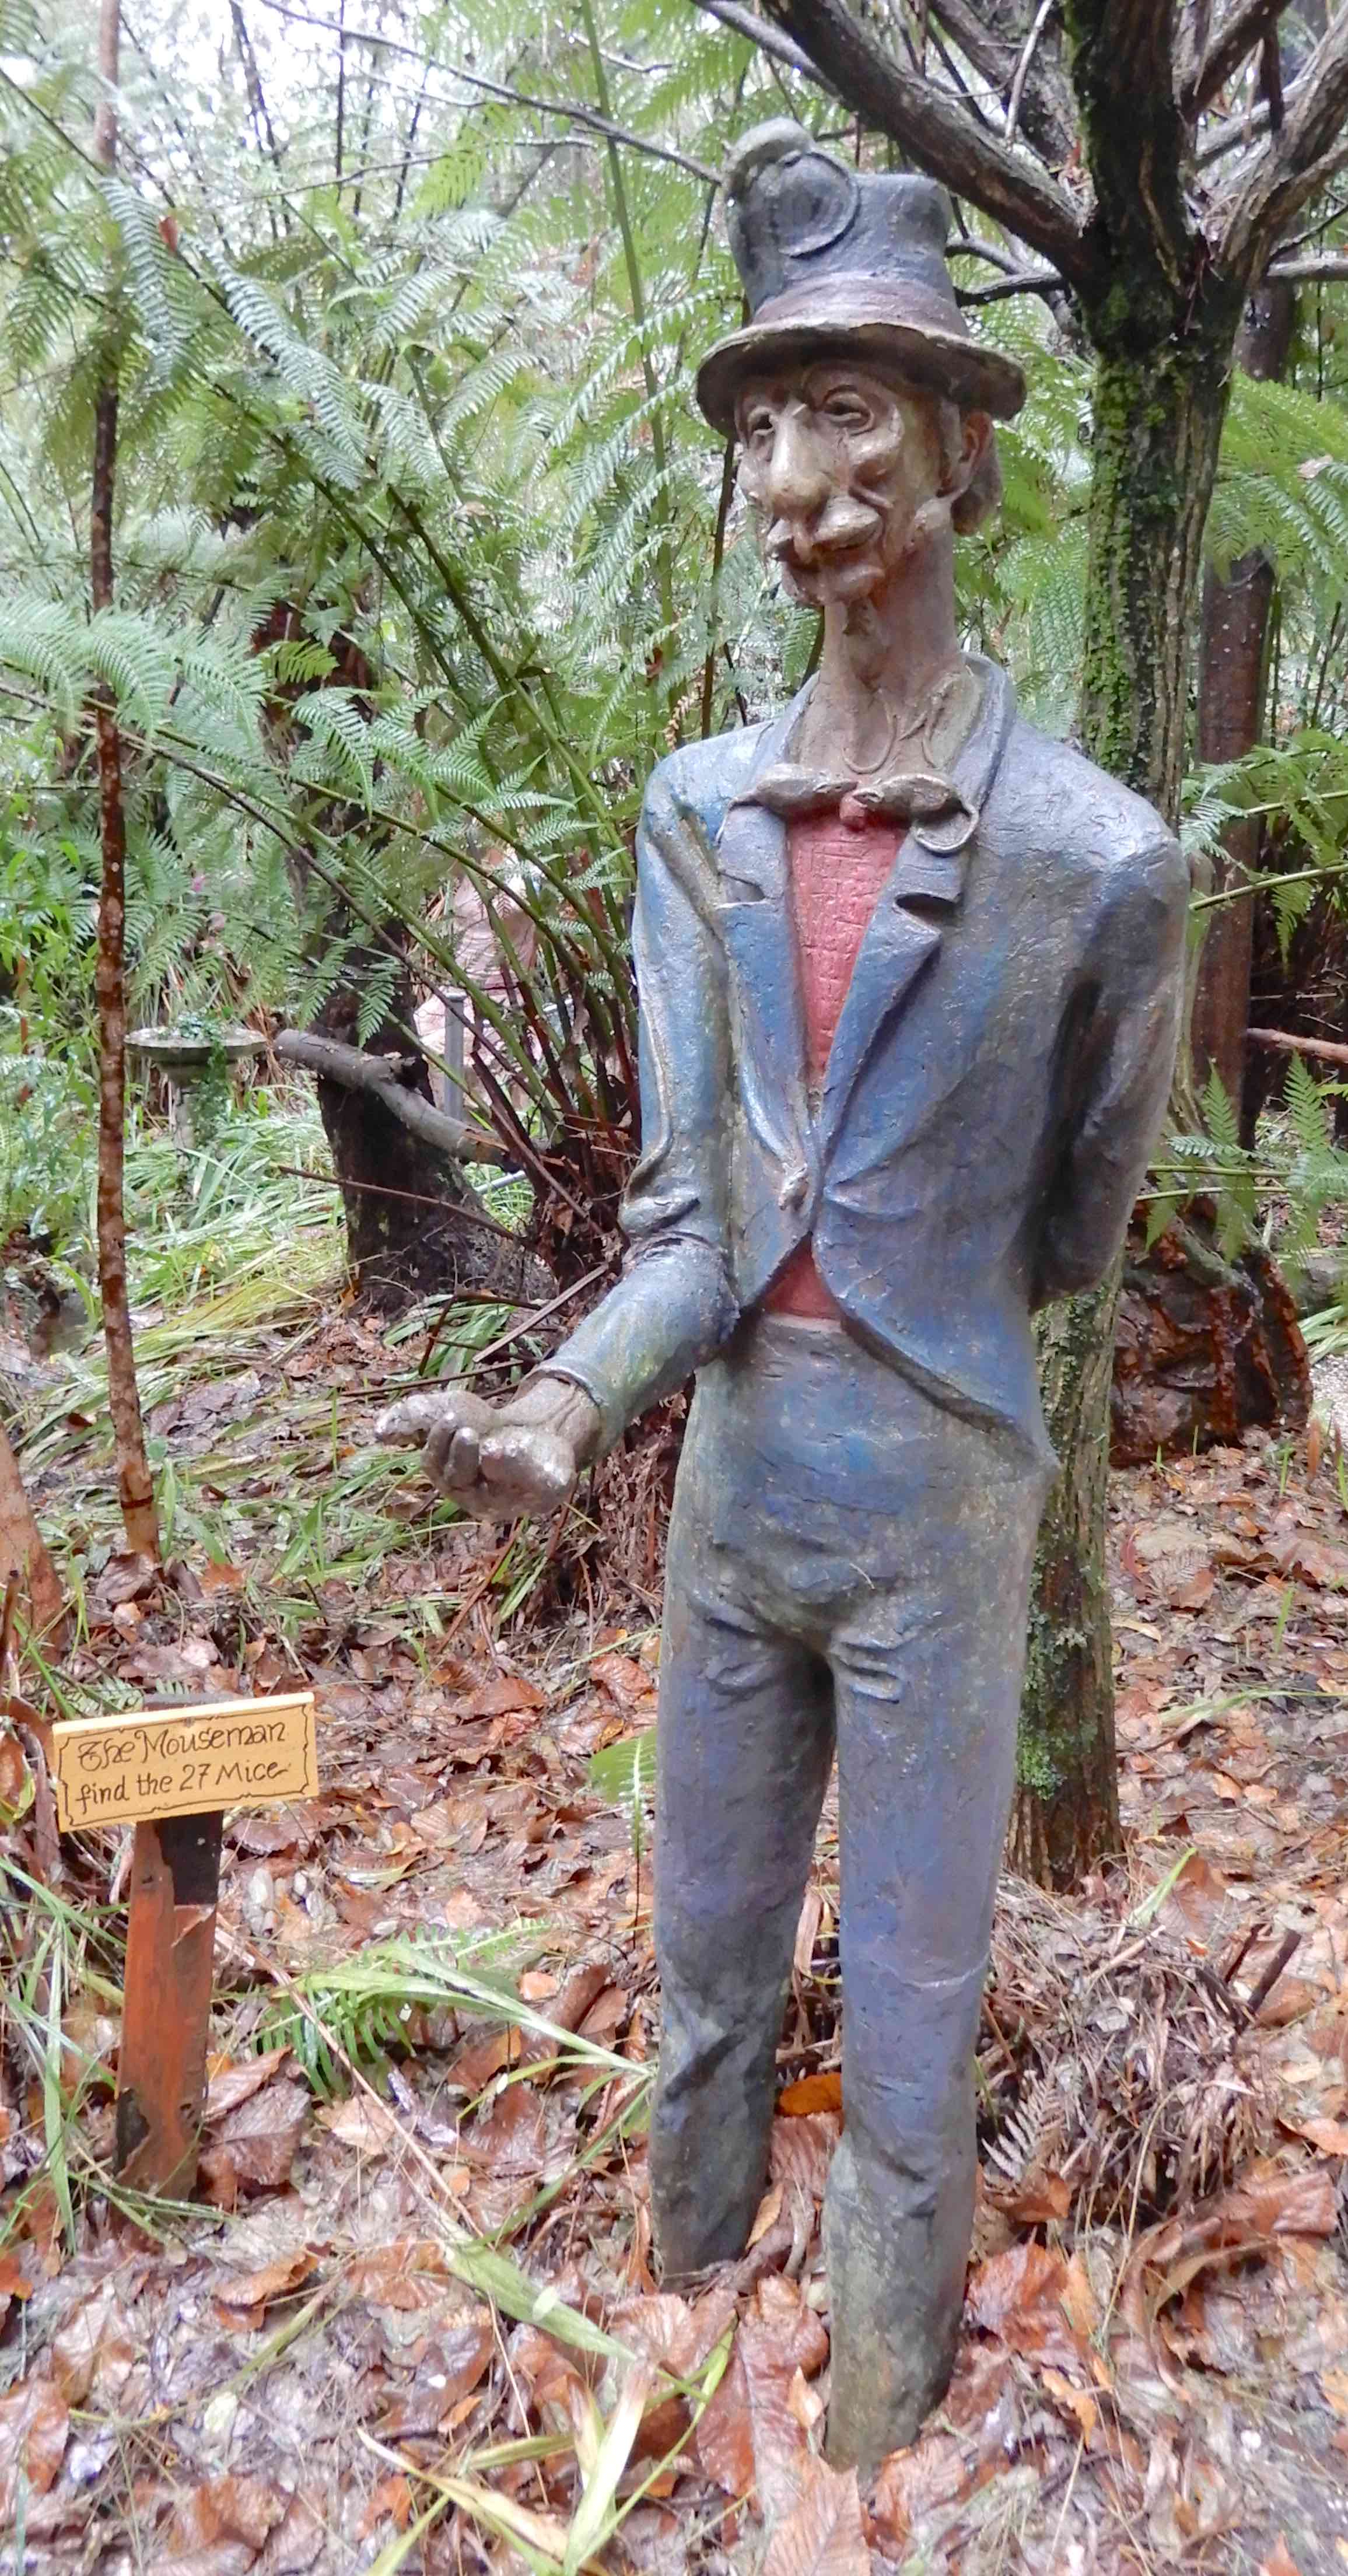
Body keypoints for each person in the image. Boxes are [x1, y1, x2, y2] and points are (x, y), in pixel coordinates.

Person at [380, 123, 1188, 2472]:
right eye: (760, 424)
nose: (793, 476)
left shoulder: (1097, 861)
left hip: (940, 1498)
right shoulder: (695, 814)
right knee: (707, 1956)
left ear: (954, 446)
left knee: (917, 2000)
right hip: (737, 1484)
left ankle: (874, 2418)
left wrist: (918, 1323)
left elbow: (1077, 1227)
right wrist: (565, 1402)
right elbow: (690, 1222)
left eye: (844, 412)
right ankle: (673, 2318)